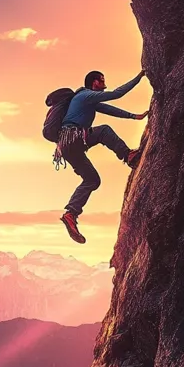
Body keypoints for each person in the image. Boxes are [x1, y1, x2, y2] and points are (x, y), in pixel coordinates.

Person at [58, 69, 149, 244]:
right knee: (104, 131)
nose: (104, 84)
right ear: (94, 82)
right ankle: (128, 155)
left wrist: (133, 116)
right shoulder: (85, 95)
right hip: (73, 137)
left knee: (92, 180)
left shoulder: (88, 100)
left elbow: (110, 109)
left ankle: (71, 213)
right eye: (102, 80)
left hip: (66, 146)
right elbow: (117, 94)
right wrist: (140, 76)